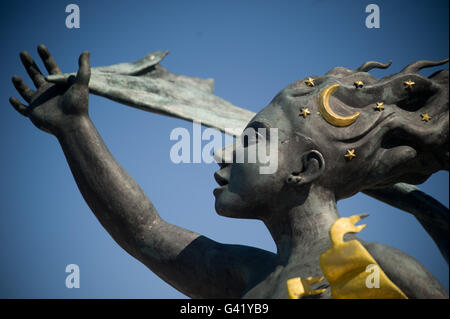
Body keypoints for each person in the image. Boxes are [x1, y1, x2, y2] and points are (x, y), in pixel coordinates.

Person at [10, 45, 449, 298]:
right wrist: (75, 127)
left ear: (304, 168)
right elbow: (144, 231)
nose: (223, 154)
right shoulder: (250, 279)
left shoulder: (378, 268)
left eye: (252, 140)